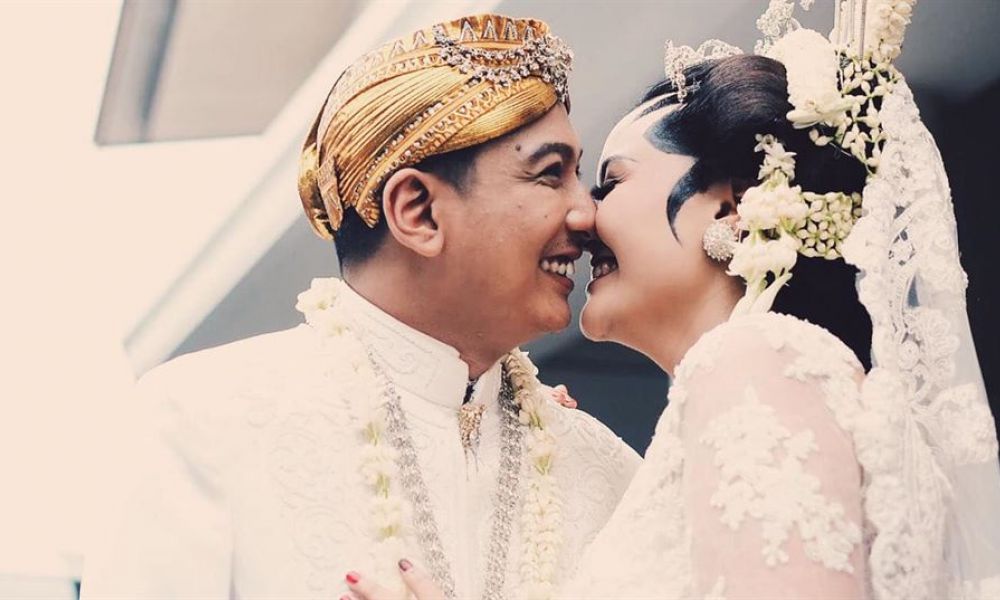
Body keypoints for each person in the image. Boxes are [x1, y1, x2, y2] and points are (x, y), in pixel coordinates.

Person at [345, 2, 1000, 600]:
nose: (581, 216)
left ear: (734, 204)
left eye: (609, 183)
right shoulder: (746, 389)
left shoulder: (755, 362)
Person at [81, 14, 640, 600]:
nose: (586, 214)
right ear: (417, 211)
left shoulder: (606, 470)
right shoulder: (202, 420)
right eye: (551, 176)